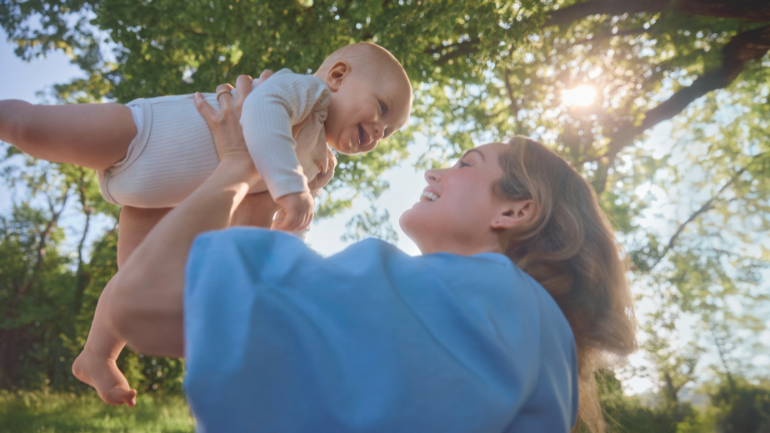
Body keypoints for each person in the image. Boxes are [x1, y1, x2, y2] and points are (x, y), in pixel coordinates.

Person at [103, 75, 636, 432]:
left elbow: (149, 301)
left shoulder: (485, 294)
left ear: (517, 211)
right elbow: (262, 354)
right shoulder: (517, 325)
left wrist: (236, 166)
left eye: (467, 164)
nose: (435, 172)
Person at [0, 42, 413, 407]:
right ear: (338, 76)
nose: (379, 131)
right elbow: (262, 114)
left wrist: (289, 229)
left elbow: (294, 218)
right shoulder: (307, 92)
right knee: (31, 128)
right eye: (381, 109)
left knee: (136, 282)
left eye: (389, 132)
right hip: (142, 136)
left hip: (160, 202)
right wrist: (290, 188)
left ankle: (97, 356)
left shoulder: (322, 164)